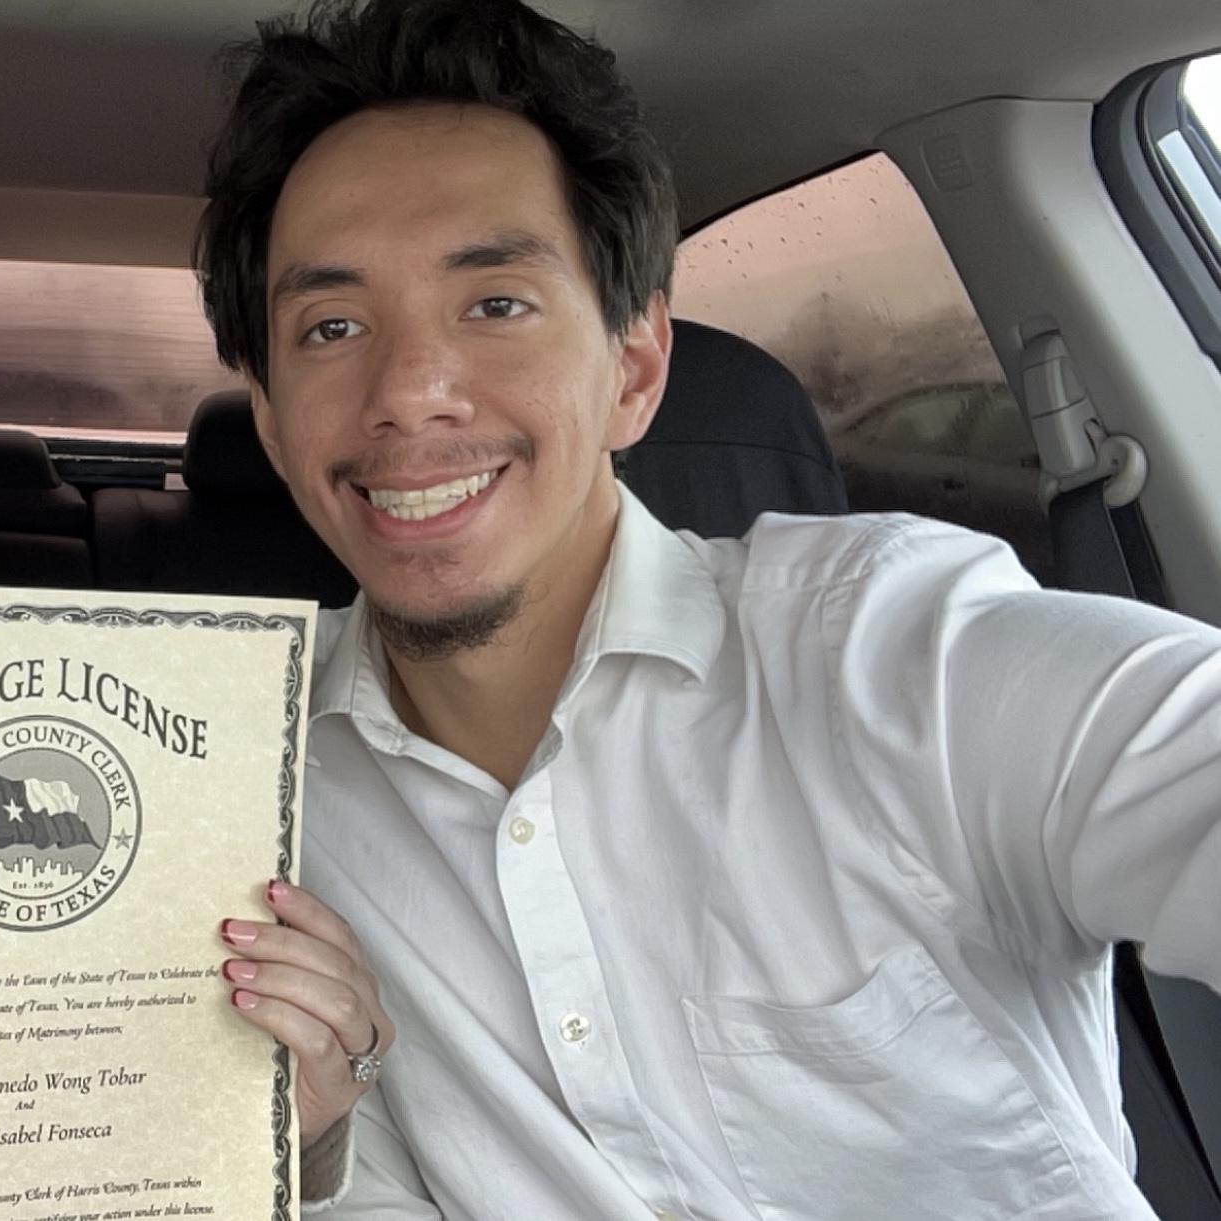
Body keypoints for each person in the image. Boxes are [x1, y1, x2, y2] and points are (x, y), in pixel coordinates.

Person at [193, 1, 1221, 1216]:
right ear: (273, 423)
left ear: (633, 368)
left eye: (496, 304)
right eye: (332, 326)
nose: (410, 392)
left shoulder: (898, 652)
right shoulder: (236, 795)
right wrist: (311, 1135)